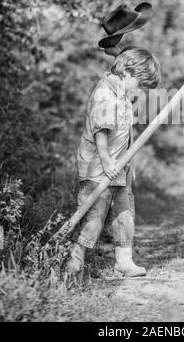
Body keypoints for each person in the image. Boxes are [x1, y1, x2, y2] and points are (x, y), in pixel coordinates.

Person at [67, 47, 161, 277]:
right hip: (98, 169)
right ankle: (73, 263)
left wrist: (127, 165)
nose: (139, 89)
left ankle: (124, 261)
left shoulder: (122, 95)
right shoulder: (105, 93)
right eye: (139, 83)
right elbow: (101, 130)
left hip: (119, 168)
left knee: (124, 214)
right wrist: (107, 160)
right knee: (93, 218)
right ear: (127, 72)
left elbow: (124, 135)